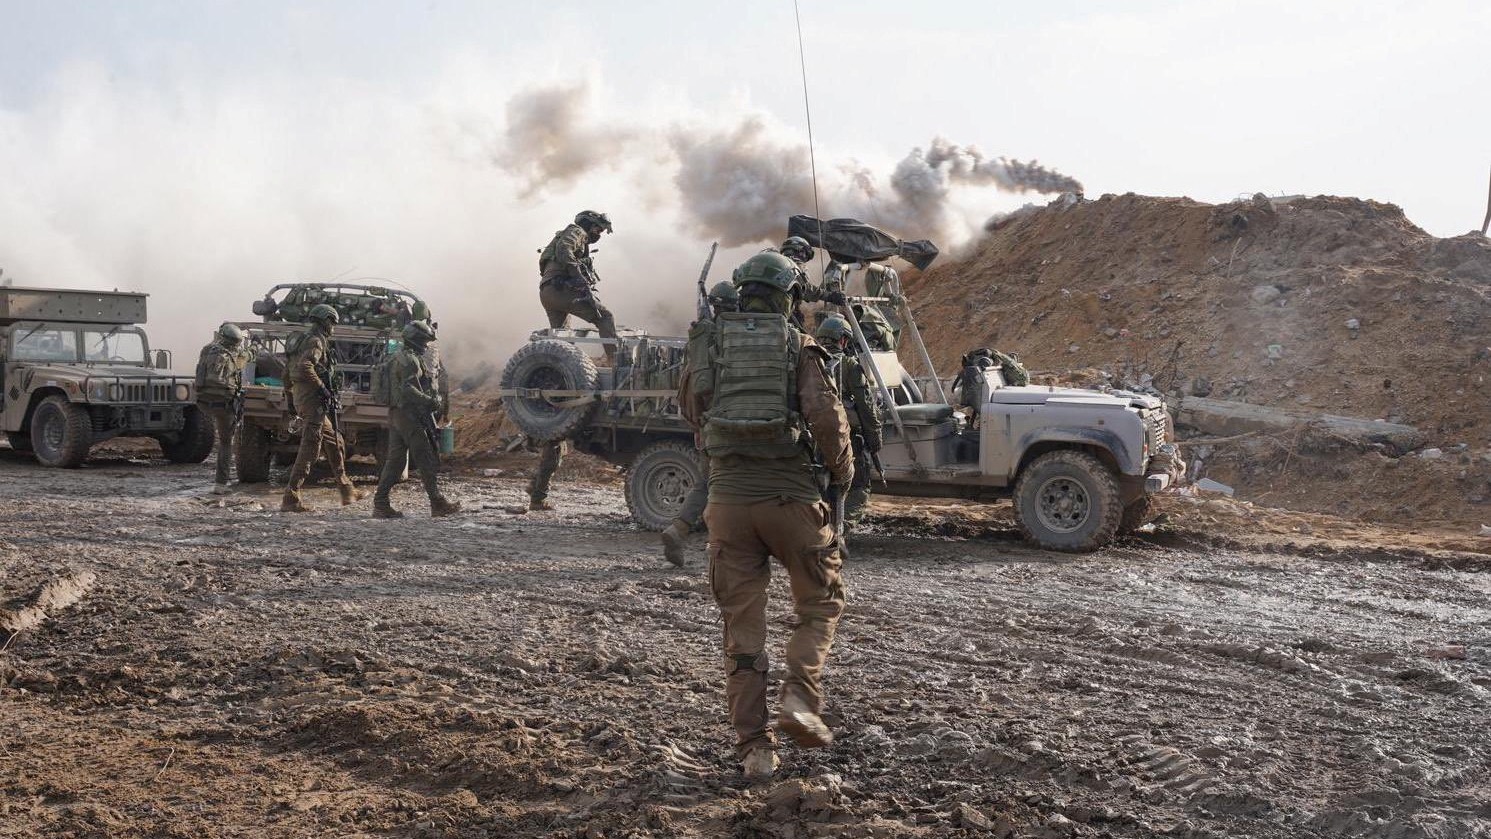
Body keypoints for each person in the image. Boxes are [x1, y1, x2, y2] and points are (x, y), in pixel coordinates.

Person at [679, 250, 853, 781]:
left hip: (728, 505)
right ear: (790, 296)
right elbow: (826, 416)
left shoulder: (709, 345)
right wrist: (842, 474)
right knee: (819, 607)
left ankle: (755, 748)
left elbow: (691, 410)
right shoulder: (800, 345)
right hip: (792, 502)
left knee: (742, 629)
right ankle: (800, 699)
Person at [659, 280, 738, 566]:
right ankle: (722, 546)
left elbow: (691, 383)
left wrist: (698, 426)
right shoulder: (735, 337)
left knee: (706, 483)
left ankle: (678, 529)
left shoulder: (702, 339)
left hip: (706, 423)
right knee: (736, 487)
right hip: (733, 423)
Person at [372, 321, 461, 519]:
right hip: (410, 416)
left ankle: (381, 503)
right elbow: (407, 389)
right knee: (426, 458)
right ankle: (437, 503)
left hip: (397, 415)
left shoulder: (398, 356)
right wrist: (430, 401)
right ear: (418, 340)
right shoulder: (410, 361)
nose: (427, 345)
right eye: (425, 341)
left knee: (394, 462)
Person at [282, 304, 364, 512]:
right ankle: (291, 497)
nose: (333, 327)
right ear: (326, 321)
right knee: (310, 448)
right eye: (333, 323)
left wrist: (291, 400)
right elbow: (305, 366)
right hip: (312, 400)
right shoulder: (316, 341)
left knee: (334, 441)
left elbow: (287, 372)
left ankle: (347, 490)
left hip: (303, 397)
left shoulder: (301, 339)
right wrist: (322, 389)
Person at [814, 315, 883, 526]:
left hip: (813, 438)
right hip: (846, 438)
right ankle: (841, 531)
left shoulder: (808, 362)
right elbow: (866, 405)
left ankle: (819, 528)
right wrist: (874, 439)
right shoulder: (849, 365)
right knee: (857, 487)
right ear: (842, 340)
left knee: (818, 488)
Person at [539, 210, 617, 354]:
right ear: (587, 224)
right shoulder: (577, 231)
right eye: (598, 229)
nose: (598, 234)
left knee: (563, 338)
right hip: (562, 290)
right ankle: (616, 363)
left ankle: (565, 368)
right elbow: (564, 249)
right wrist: (579, 279)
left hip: (548, 291)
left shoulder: (574, 237)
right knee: (605, 317)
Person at [194, 323, 253, 492]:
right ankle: (220, 484)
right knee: (226, 443)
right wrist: (254, 347)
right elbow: (248, 357)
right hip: (224, 405)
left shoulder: (206, 350)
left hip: (203, 402)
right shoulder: (235, 356)